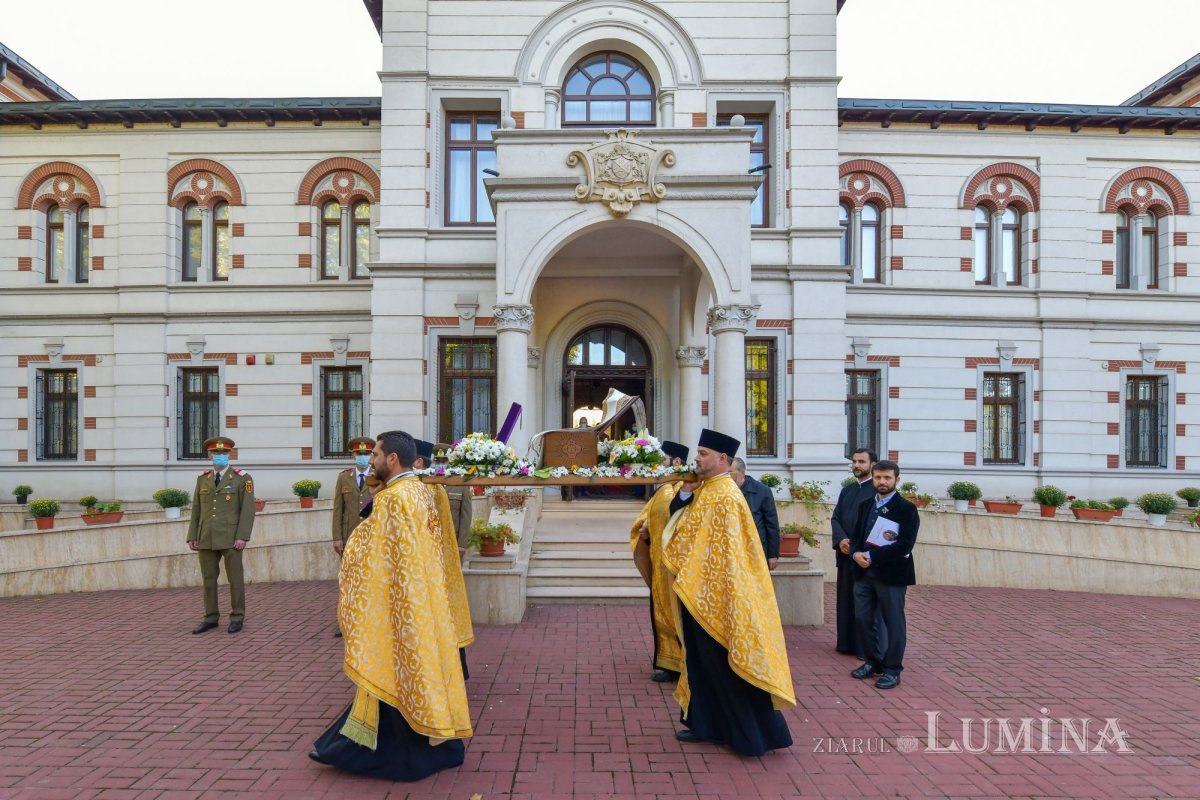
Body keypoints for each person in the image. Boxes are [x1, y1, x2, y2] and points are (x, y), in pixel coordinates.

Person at [310, 430, 471, 780]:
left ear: (392, 459)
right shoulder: (425, 491)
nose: (372, 460)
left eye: (377, 455)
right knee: (419, 673)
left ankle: (397, 756)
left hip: (398, 604)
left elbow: (364, 551)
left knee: (394, 674)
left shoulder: (393, 499)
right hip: (423, 599)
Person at [661, 428, 794, 757]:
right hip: (699, 591)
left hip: (719, 598)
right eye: (699, 453)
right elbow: (682, 527)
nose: (697, 459)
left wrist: (721, 592)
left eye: (703, 454)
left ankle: (748, 735)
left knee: (723, 667)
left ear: (723, 459)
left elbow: (731, 555)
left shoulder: (726, 496)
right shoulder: (707, 489)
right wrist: (686, 493)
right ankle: (708, 725)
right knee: (702, 665)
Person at [848, 459, 919, 690]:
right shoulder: (866, 504)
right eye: (878, 477)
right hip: (863, 574)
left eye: (887, 478)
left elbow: (905, 545)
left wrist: (873, 557)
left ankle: (892, 670)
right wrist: (856, 553)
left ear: (897, 480)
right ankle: (872, 662)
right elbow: (857, 534)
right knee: (863, 619)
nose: (882, 481)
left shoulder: (907, 508)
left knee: (893, 623)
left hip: (892, 575)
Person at [414, 439, 475, 680]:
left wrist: (461, 545)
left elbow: (466, 515)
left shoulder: (458, 484)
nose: (440, 464)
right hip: (425, 556)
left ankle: (457, 666)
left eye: (444, 460)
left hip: (449, 555)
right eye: (437, 460)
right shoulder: (422, 485)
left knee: (449, 608)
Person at [630, 440, 689, 683]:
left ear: (676, 462)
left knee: (678, 617)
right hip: (660, 565)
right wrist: (645, 531)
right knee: (661, 615)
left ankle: (683, 665)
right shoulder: (663, 489)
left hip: (677, 567)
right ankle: (670, 664)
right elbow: (649, 519)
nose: (658, 465)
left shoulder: (684, 490)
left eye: (662, 460)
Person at [186, 436, 255, 634]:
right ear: (210, 455)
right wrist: (193, 535)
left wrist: (242, 536)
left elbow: (247, 510)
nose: (220, 456)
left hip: (231, 537)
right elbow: (196, 509)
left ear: (229, 454)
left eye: (223, 453)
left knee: (235, 579)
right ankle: (210, 617)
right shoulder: (203, 478)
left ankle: (237, 616)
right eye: (216, 453)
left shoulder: (242, 478)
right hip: (206, 536)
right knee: (208, 579)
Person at [830, 448, 879, 656]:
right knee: (846, 599)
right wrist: (841, 539)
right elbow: (836, 518)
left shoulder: (877, 491)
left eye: (861, 462)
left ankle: (864, 647)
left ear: (873, 465)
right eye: (854, 461)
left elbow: (875, 524)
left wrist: (857, 545)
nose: (856, 465)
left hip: (863, 557)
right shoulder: (847, 490)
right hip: (845, 554)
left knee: (865, 603)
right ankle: (846, 643)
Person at [331, 436, 374, 638]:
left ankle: (369, 620)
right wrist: (337, 537)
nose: (362, 457)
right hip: (349, 537)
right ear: (353, 455)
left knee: (371, 580)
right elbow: (338, 510)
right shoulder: (343, 477)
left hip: (372, 538)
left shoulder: (378, 477)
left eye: (366, 454)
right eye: (359, 454)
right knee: (348, 581)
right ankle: (345, 621)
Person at [729, 457, 779, 570]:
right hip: (733, 551)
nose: (728, 476)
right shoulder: (725, 491)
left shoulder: (762, 491)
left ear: (742, 472)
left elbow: (772, 524)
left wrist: (772, 555)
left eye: (731, 472)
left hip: (756, 550)